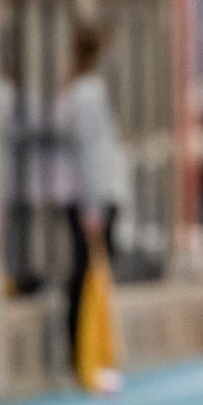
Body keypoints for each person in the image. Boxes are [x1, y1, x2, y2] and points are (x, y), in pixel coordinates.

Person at [50, 24, 128, 373]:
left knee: (88, 271)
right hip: (92, 196)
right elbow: (89, 151)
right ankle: (85, 352)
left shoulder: (73, 94)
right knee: (89, 273)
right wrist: (94, 207)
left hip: (85, 193)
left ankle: (87, 350)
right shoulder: (88, 94)